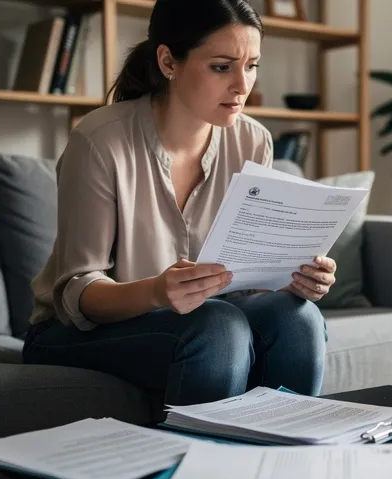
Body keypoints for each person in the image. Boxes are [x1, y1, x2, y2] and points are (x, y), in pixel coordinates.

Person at [23, 0, 333, 408]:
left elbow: (245, 276)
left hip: (199, 320)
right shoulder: (100, 141)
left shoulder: (253, 141)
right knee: (219, 327)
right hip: (74, 333)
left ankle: (285, 460)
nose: (244, 86)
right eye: (222, 67)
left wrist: (294, 276)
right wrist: (156, 291)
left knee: (298, 317)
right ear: (169, 61)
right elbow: (78, 292)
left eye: (252, 65)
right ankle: (199, 467)